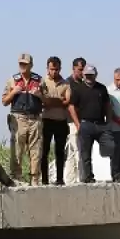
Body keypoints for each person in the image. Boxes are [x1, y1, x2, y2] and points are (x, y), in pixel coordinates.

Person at [2, 53, 44, 185]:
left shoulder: (39, 80)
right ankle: (16, 178)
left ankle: (35, 179)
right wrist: (14, 92)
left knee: (36, 150)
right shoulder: (12, 80)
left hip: (35, 118)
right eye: (21, 63)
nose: (23, 66)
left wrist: (39, 95)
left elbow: (46, 100)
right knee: (17, 150)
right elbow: (4, 101)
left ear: (31, 65)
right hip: (18, 117)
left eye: (25, 64)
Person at [68, 64, 114, 183]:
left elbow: (107, 105)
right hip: (85, 124)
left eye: (91, 75)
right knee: (85, 154)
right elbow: (71, 106)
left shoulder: (101, 88)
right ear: (83, 75)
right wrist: (78, 124)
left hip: (101, 124)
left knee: (111, 148)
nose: (89, 77)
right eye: (87, 75)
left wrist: (108, 122)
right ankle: (88, 177)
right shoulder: (78, 89)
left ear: (96, 75)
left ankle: (116, 174)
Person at [40, 57, 72, 185]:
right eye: (52, 69)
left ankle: (60, 179)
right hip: (46, 120)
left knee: (60, 152)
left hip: (61, 121)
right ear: (47, 69)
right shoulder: (42, 82)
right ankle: (44, 180)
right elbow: (42, 100)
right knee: (44, 151)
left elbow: (67, 101)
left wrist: (52, 101)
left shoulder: (65, 84)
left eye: (56, 69)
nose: (54, 72)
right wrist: (58, 100)